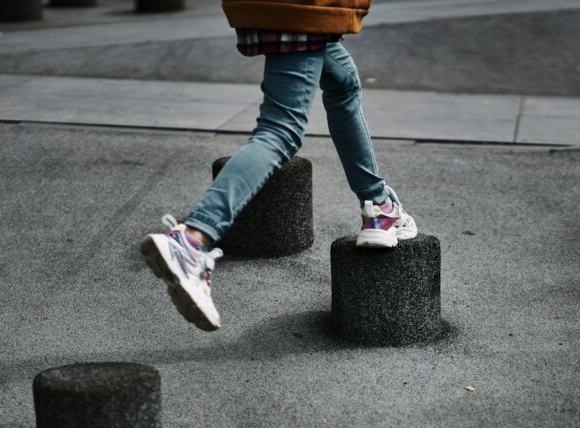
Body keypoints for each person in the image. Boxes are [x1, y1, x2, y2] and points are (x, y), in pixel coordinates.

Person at [139, 0, 417, 331]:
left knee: (343, 84)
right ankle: (192, 240)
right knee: (279, 130)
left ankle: (378, 204)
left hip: (289, 7)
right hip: (304, 8)